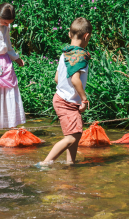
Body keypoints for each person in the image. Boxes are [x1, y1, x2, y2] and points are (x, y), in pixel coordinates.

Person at [38, 17, 92, 166]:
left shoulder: (65, 53)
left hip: (61, 98)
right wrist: (84, 99)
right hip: (67, 102)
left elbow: (57, 78)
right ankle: (45, 163)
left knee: (74, 135)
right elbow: (75, 80)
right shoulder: (79, 56)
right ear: (86, 36)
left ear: (69, 34)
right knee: (72, 137)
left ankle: (70, 164)